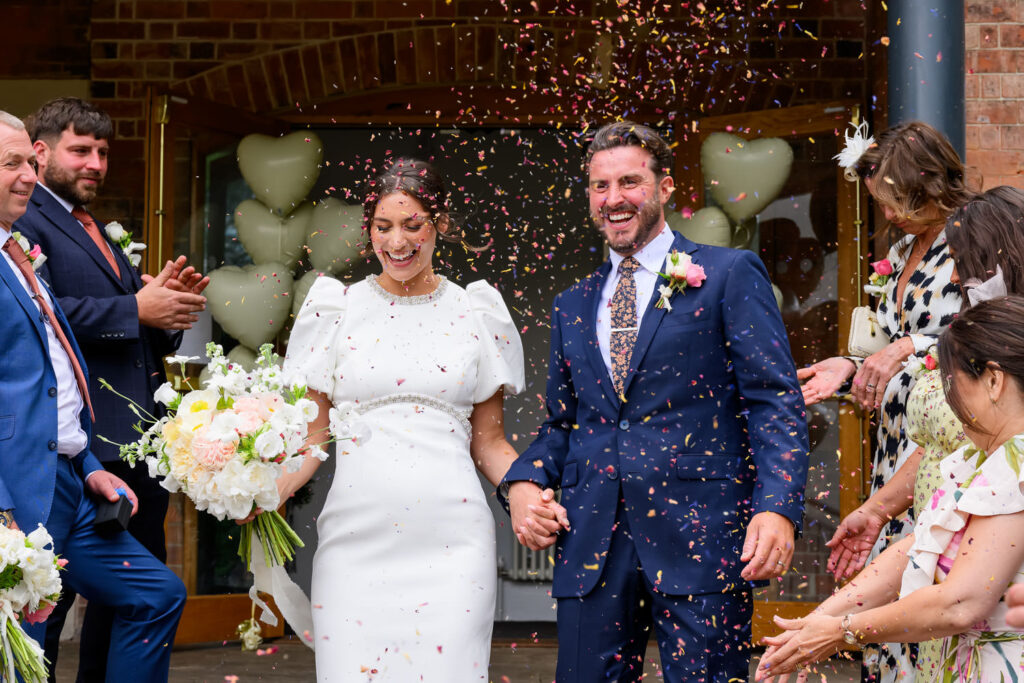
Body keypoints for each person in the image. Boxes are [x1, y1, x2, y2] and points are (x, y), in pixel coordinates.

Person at [500, 120, 809, 681]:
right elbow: (563, 424)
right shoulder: (572, 304)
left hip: (702, 539)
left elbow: (774, 400)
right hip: (591, 545)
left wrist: (777, 506)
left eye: (630, 182)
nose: (613, 199)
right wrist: (523, 483)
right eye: (600, 186)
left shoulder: (728, 274)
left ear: (665, 188)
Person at [269, 158, 552, 680]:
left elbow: (489, 443)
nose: (397, 241)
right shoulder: (336, 308)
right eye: (383, 226)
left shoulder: (475, 311)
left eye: (412, 224)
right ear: (369, 230)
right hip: (355, 542)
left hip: (453, 542)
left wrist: (524, 491)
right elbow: (312, 441)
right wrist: (266, 492)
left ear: (440, 224)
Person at [12, 97, 206, 681]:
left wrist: (163, 312)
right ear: (41, 154)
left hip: (124, 447)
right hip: (74, 449)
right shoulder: (23, 217)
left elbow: (113, 320)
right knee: (45, 605)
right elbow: (40, 315)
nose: (95, 162)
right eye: (80, 150)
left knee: (130, 599)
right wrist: (133, 307)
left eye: (102, 152)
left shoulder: (94, 226)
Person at [757, 295, 1024, 682]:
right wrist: (817, 622)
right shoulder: (981, 456)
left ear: (994, 380)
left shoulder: (1015, 466)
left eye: (951, 383)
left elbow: (959, 604)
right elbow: (917, 548)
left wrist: (841, 631)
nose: (948, 401)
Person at [824, 186, 1024, 679]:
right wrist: (878, 509)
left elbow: (963, 601)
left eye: (962, 261)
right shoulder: (968, 337)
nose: (954, 276)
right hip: (937, 541)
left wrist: (839, 629)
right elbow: (944, 448)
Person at [799, 120, 971, 681]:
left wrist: (909, 346)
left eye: (899, 202)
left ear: (932, 185)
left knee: (933, 585)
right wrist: (848, 368)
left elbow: (992, 336)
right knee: (886, 590)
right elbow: (886, 348)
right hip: (894, 449)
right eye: (882, 204)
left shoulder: (975, 243)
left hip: (952, 446)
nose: (891, 216)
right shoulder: (899, 251)